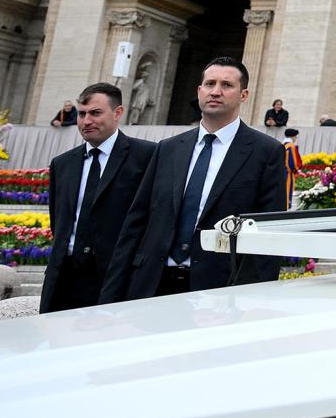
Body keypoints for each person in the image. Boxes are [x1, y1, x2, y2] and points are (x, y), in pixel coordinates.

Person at [101, 57, 289, 300]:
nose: (216, 91)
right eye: (210, 84)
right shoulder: (168, 149)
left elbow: (268, 233)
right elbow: (136, 221)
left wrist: (248, 301)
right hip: (151, 286)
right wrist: (111, 297)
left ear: (244, 95)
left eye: (227, 85)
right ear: (199, 91)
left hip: (219, 292)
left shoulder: (266, 152)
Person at [41, 84, 157, 313]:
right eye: (82, 114)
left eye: (95, 113)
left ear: (118, 113)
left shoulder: (146, 156)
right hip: (65, 279)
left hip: (117, 280)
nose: (86, 121)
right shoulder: (62, 164)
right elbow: (59, 222)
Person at [280, 128, 304, 205]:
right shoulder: (291, 146)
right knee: (287, 190)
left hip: (281, 171)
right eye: (295, 136)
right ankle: (286, 205)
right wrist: (296, 169)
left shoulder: (282, 144)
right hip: (288, 172)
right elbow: (293, 161)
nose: (296, 138)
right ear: (293, 136)